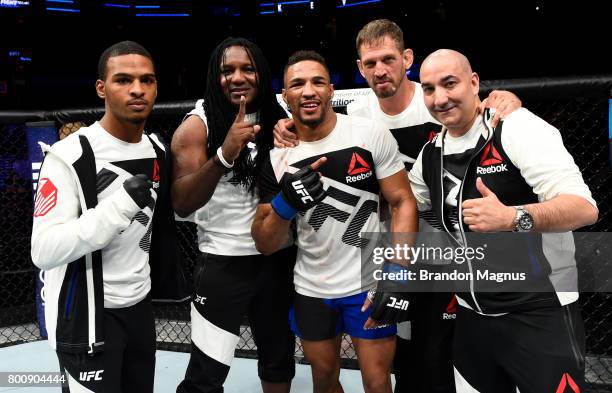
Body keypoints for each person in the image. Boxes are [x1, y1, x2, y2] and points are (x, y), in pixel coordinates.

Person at [273, 19, 522, 393]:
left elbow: (481, 113)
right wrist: (287, 126)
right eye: (369, 63)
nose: (380, 70)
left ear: (407, 58)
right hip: (390, 250)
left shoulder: (435, 100)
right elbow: (322, 132)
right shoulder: (357, 117)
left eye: (388, 59)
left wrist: (507, 102)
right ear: (359, 67)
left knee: (444, 353)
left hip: (447, 248)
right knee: (403, 360)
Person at [409, 48, 598, 393]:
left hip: (539, 314)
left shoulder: (517, 128)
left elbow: (584, 208)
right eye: (429, 88)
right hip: (471, 320)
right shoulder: (430, 155)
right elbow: (405, 207)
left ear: (474, 83)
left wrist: (514, 218)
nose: (440, 98)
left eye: (449, 83)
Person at [251, 50, 418, 393]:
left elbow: (402, 201)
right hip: (312, 287)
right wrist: (286, 204)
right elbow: (265, 243)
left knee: (377, 382)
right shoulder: (276, 156)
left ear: (331, 90)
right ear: (286, 96)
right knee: (324, 381)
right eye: (297, 83)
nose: (308, 90)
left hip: (368, 280)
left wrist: (398, 271)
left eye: (317, 82)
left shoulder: (368, 134)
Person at [31, 41, 174, 392]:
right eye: (123, 80)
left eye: (147, 80)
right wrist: (119, 206)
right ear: (101, 88)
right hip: (88, 317)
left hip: (140, 308)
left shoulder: (156, 150)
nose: (137, 89)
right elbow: (44, 250)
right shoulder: (70, 156)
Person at [171, 37, 296, 393]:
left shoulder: (280, 118)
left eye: (247, 68)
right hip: (223, 262)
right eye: (228, 70)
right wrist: (224, 155)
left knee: (278, 361)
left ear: (261, 73)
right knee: (206, 374)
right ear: (215, 76)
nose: (238, 77)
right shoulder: (199, 125)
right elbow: (181, 203)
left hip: (276, 257)